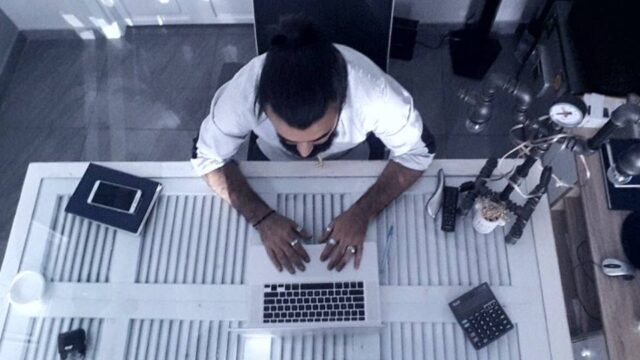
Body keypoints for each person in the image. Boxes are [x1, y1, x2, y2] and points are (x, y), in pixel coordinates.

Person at [192, 17, 434, 274]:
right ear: (261, 105)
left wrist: (364, 212)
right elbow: (207, 158)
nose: (305, 153)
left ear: (344, 101)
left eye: (319, 138)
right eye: (289, 139)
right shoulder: (241, 95)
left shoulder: (378, 97)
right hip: (273, 162)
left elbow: (418, 152)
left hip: (352, 157)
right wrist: (260, 217)